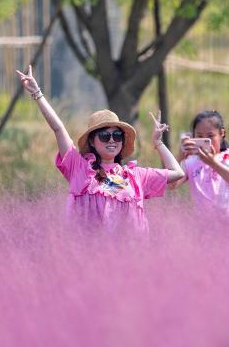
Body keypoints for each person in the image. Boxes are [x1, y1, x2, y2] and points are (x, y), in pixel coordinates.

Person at [15, 65, 185, 232]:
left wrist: (158, 143)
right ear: (92, 141)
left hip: (128, 255)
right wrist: (37, 94)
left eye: (117, 135)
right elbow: (58, 128)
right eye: (104, 135)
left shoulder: (135, 176)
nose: (112, 140)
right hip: (86, 254)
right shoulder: (79, 167)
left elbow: (177, 172)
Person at [176, 109, 229, 222]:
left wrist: (213, 163)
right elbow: (172, 184)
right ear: (193, 136)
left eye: (210, 136)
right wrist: (180, 155)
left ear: (222, 133)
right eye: (199, 136)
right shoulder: (191, 161)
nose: (205, 141)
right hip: (206, 229)